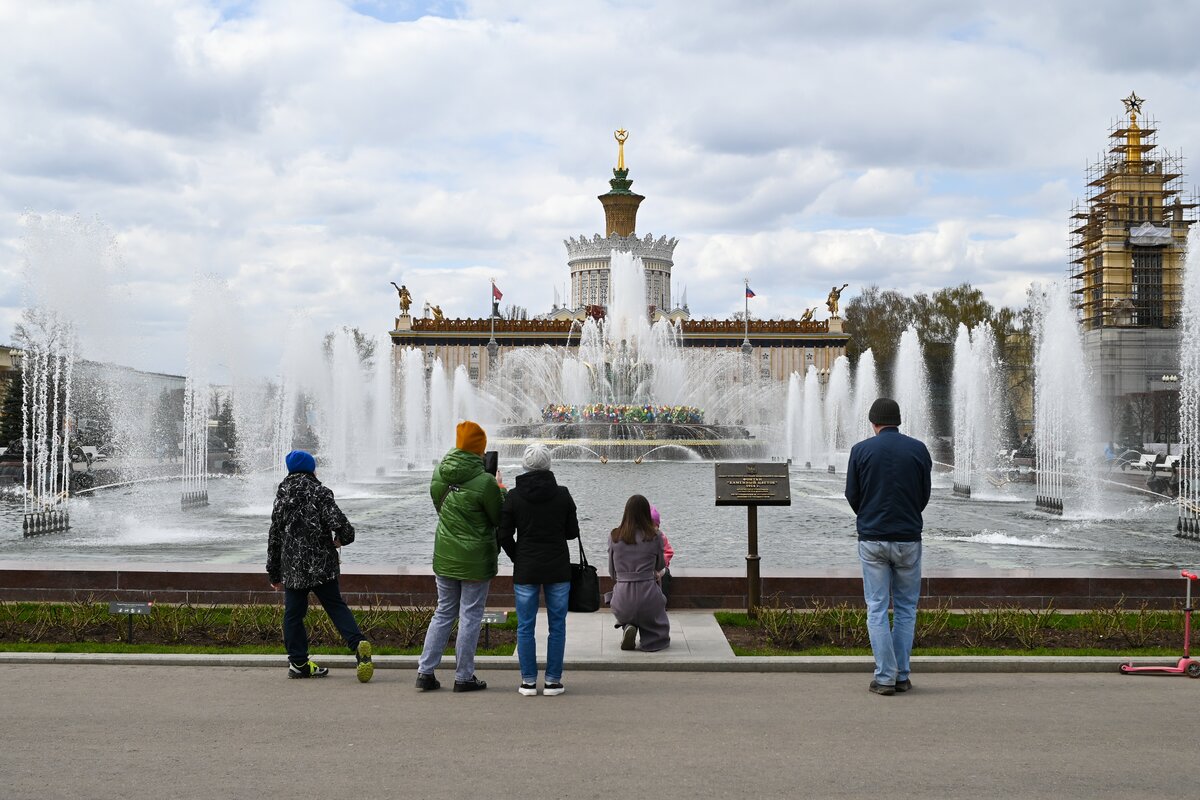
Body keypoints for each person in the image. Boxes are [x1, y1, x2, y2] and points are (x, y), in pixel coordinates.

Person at [844, 398, 932, 696]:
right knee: (907, 608)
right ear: (898, 421)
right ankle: (901, 675)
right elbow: (924, 495)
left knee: (877, 608)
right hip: (908, 537)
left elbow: (852, 494)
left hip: (873, 538)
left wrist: (869, 516)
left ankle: (884, 677)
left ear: (873, 422)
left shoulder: (860, 451)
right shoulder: (918, 449)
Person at [267, 450, 373, 682]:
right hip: (322, 564)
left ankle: (298, 663)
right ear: (311, 468)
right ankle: (358, 644)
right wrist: (340, 540)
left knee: (293, 614)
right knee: (335, 606)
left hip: (294, 568)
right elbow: (344, 527)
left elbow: (274, 537)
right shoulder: (320, 492)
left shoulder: (282, 496)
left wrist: (274, 573)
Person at [416, 421, 506, 692]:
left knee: (443, 611)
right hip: (475, 559)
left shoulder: (439, 474)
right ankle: (464, 676)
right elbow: (498, 517)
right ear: (480, 449)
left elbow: (440, 509)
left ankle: (425, 671)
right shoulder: (486, 482)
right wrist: (500, 488)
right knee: (470, 615)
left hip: (445, 554)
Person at [497, 443, 580, 696]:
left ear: (525, 465)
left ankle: (528, 682)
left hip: (526, 569)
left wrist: (518, 556)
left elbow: (503, 534)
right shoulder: (563, 494)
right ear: (549, 465)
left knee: (525, 625)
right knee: (557, 625)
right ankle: (553, 681)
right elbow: (572, 533)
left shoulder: (513, 496)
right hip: (557, 567)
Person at [606, 494, 670, 652]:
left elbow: (612, 573)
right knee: (658, 630)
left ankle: (628, 624)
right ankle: (650, 638)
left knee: (620, 600)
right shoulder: (655, 537)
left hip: (622, 599)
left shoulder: (614, 536)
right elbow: (660, 565)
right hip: (648, 596)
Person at [649, 504, 675, 604]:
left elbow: (669, 552)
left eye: (654, 525)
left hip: (660, 566)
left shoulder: (661, 537)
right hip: (648, 567)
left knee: (666, 576)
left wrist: (661, 562)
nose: (652, 528)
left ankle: (663, 602)